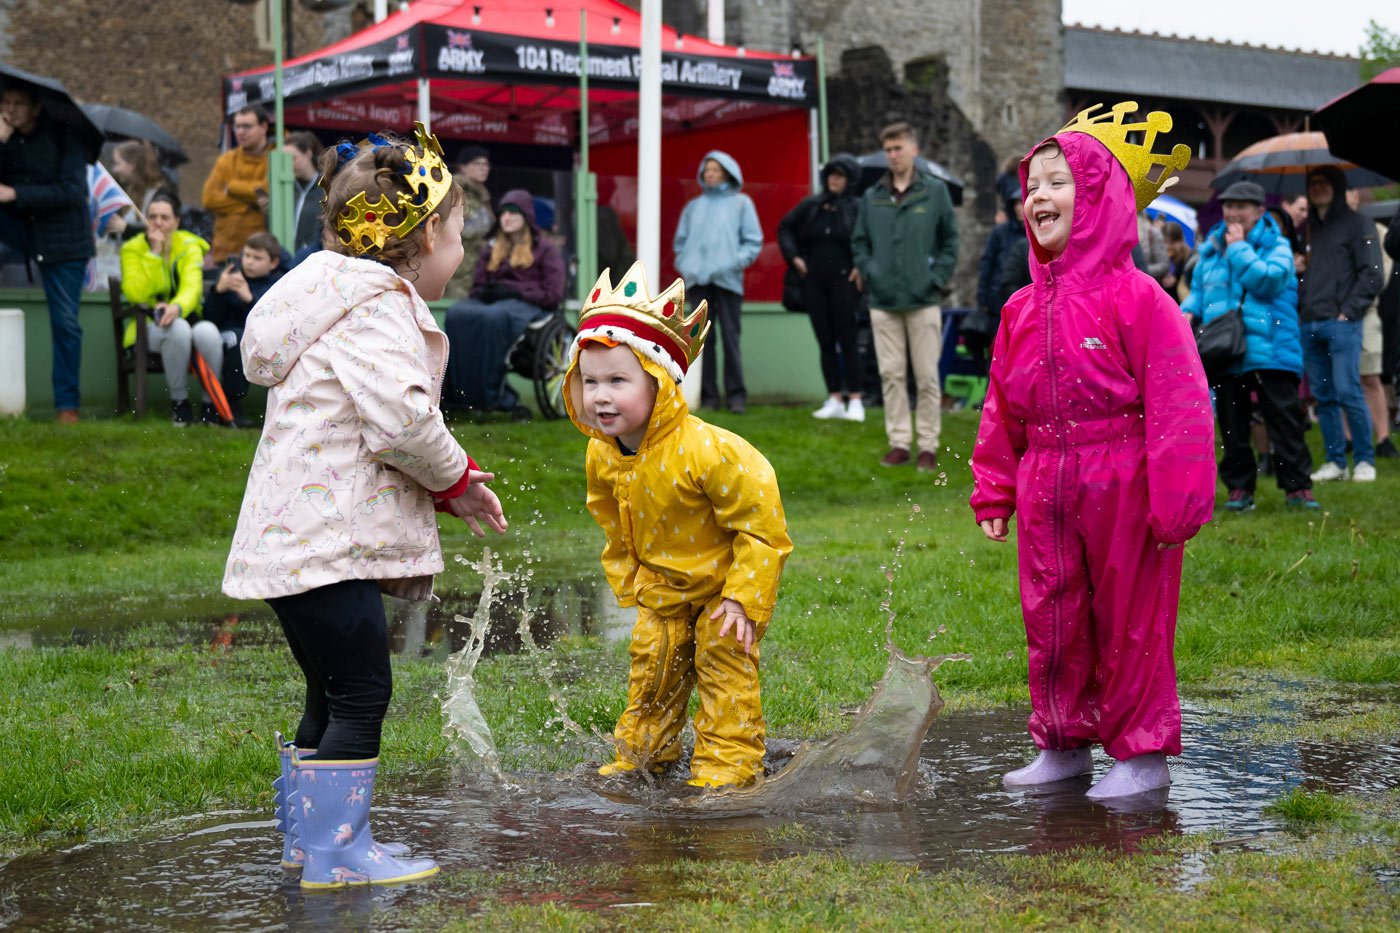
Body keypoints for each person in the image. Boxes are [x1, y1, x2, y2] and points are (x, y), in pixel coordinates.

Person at [222, 124, 507, 889]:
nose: (461, 250)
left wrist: (440, 479)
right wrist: (456, 478)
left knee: (328, 689)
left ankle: (307, 843)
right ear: (416, 245)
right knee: (362, 691)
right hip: (328, 542)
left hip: (294, 541)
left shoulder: (321, 296)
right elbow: (404, 421)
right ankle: (340, 854)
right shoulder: (380, 307)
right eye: (455, 234)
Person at [970, 108, 1216, 800]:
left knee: (1130, 618)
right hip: (1046, 474)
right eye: (1032, 186)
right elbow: (1002, 405)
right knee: (1052, 613)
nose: (1038, 197)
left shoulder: (1139, 298)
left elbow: (1179, 399)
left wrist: (1177, 496)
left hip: (1124, 479)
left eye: (1058, 182)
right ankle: (1061, 739)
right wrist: (995, 486)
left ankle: (1142, 753)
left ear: (1099, 195)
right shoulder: (1021, 308)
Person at [563, 262, 792, 788]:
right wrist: (631, 578)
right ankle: (645, 754)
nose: (601, 395)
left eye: (618, 381)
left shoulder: (709, 451)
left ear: (660, 382)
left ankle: (727, 766)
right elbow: (612, 520)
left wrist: (744, 595)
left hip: (723, 593)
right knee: (653, 669)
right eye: (590, 381)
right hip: (663, 589)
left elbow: (761, 526)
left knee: (724, 672)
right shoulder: (602, 455)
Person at [1182, 180, 1318, 510]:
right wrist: (1186, 314)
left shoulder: (1277, 245)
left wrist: (1240, 249)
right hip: (1225, 349)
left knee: (1284, 422)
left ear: (1259, 211)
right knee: (1232, 425)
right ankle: (1240, 490)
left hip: (1271, 348)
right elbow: (1199, 291)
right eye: (1229, 206)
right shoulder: (1212, 247)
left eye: (1241, 206)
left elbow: (1269, 280)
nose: (1233, 212)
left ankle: (1297, 489)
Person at [851, 121, 959, 471]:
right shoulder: (872, 197)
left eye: (899, 148)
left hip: (923, 298)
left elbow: (950, 241)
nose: (894, 155)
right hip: (882, 301)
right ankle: (899, 442)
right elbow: (859, 242)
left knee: (927, 376)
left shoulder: (935, 192)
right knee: (891, 375)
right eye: (889, 150)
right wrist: (870, 271)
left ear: (914, 150)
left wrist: (936, 278)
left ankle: (928, 445)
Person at [0, 83, 94, 423]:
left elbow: (72, 192)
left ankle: (66, 407)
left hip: (65, 242)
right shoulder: (4, 138)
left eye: (18, 103)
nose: (10, 109)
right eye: (5, 102)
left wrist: (15, 193)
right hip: (19, 237)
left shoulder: (64, 137)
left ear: (35, 108)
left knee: (65, 323)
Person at [442, 189, 564, 417]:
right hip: (494, 303)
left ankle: (492, 396)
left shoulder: (546, 250)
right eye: (503, 213)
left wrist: (517, 292)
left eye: (513, 213)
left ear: (526, 217)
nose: (506, 218)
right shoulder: (492, 248)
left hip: (530, 306)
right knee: (457, 313)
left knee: (492, 318)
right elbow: (477, 287)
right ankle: (456, 394)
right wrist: (488, 292)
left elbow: (553, 294)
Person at [1300, 166, 1384, 483]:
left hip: (1342, 323)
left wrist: (1348, 311)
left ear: (1337, 187)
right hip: (1310, 322)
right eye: (1313, 183)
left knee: (1349, 390)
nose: (1318, 188)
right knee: (1324, 397)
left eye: (1324, 183)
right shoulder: (1309, 229)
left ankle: (1365, 459)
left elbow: (1373, 273)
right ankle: (1336, 461)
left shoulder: (1357, 223)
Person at [118, 191, 224, 426]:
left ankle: (210, 407)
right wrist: (154, 254)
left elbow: (192, 287)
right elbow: (136, 293)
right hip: (147, 326)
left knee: (208, 334)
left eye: (165, 217)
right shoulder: (132, 249)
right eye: (152, 216)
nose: (158, 223)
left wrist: (176, 307)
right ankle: (180, 405)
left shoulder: (189, 245)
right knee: (178, 330)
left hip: (187, 317)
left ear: (176, 221)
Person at [673, 150, 763, 413]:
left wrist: (733, 262)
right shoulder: (693, 207)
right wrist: (686, 265)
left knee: (731, 338)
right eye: (707, 170)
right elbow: (680, 243)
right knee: (703, 341)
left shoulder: (741, 203)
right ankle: (709, 396)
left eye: (716, 169)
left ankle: (737, 397)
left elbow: (753, 241)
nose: (710, 174)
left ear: (727, 173)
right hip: (698, 282)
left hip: (728, 282)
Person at [778, 154, 865, 422]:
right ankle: (834, 398)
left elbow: (868, 239)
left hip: (845, 281)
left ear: (849, 180)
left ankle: (856, 400)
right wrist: (794, 258)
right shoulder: (812, 205)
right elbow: (785, 228)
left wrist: (860, 264)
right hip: (814, 281)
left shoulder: (857, 207)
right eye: (831, 174)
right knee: (825, 341)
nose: (834, 179)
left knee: (847, 340)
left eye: (839, 175)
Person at [203, 230, 288, 425]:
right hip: (228, 335)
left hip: (266, 340)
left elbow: (275, 320)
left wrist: (249, 298)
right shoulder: (230, 277)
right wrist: (218, 291)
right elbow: (210, 318)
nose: (249, 262)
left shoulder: (278, 284)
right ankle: (230, 407)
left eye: (257, 258)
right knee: (238, 339)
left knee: (244, 338)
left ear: (273, 263)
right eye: (247, 255)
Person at [1345, 189, 1397, 459]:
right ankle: (1347, 438)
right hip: (1335, 313)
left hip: (1367, 310)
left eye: (1351, 192)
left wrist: (1357, 297)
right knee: (1341, 377)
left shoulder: (1375, 229)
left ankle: (1383, 437)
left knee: (1370, 376)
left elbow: (1382, 272)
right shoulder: (1325, 231)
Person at [202, 106, 271, 264]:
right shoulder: (226, 160)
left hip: (259, 258)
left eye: (247, 126)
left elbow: (269, 190)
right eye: (237, 126)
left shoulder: (274, 160)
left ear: (264, 127)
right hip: (223, 256)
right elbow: (209, 199)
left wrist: (232, 188)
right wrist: (248, 205)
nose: (240, 132)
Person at [971, 185, 1026, 361]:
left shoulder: (1038, 233)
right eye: (1015, 203)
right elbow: (987, 263)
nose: (1019, 207)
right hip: (998, 302)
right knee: (998, 354)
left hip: (1025, 302)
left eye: (1022, 202)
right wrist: (982, 298)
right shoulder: (1000, 233)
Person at [443, 144, 494, 300]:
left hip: (475, 266)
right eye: (477, 164)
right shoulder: (453, 191)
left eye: (486, 164)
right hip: (456, 266)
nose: (483, 168)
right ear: (463, 167)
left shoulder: (482, 195)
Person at [106, 140, 171, 239]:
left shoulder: (161, 195)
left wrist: (127, 229)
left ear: (132, 165)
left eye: (117, 164)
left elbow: (163, 232)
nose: (115, 170)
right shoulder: (129, 189)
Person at [281, 131, 326, 258]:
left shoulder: (326, 188)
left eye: (293, 159)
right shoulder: (285, 188)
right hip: (285, 262)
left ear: (308, 153)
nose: (288, 165)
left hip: (313, 261)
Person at [1159, 223, 1194, 304]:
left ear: (1180, 241)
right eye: (1165, 242)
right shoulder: (1163, 257)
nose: (1168, 246)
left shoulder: (1187, 258)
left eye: (1171, 242)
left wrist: (1176, 279)